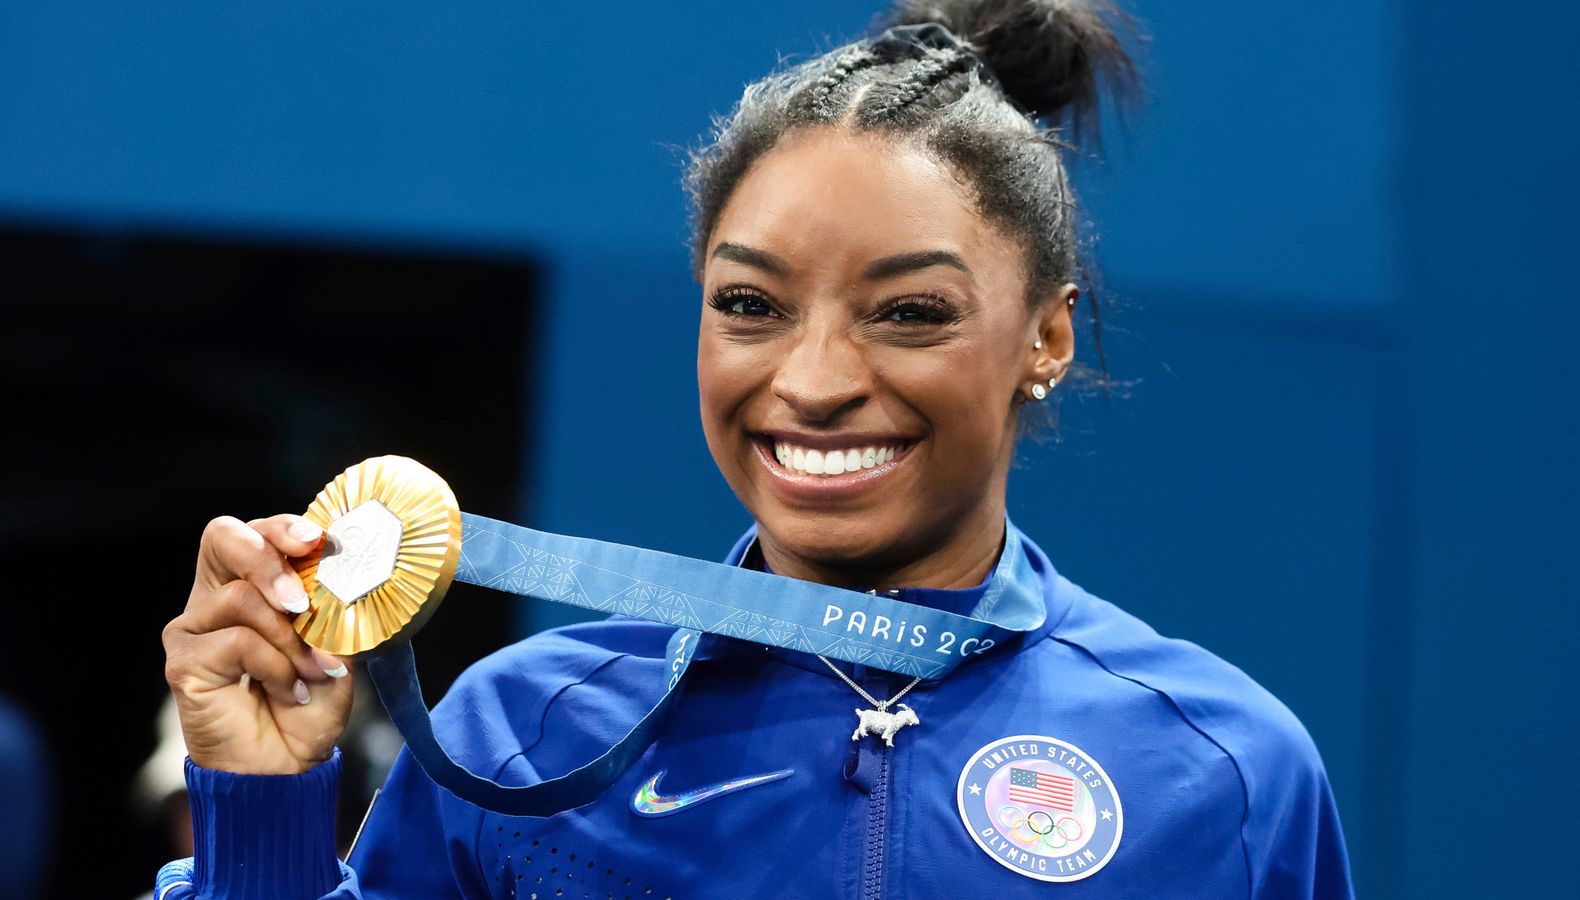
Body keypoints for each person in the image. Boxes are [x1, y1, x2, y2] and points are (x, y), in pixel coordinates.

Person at [158, 1, 1355, 896]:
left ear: (1044, 333)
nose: (815, 381)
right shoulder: (520, 735)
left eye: (909, 312)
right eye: (751, 304)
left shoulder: (1224, 772)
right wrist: (259, 807)